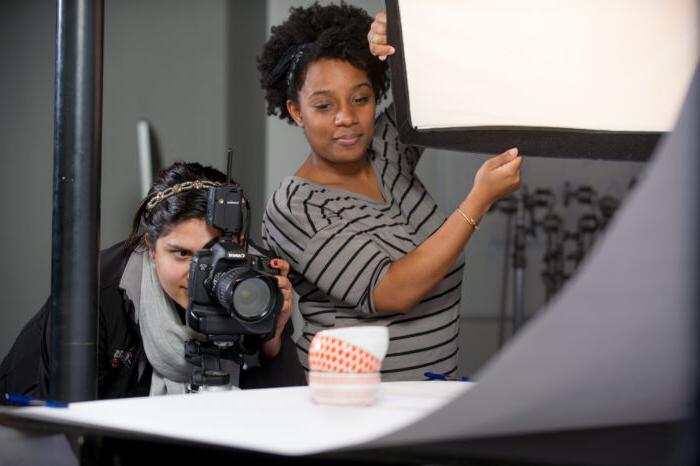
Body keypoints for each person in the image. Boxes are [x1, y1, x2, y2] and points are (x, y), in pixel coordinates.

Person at [258, 3, 523, 381]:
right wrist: (477, 201)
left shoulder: (386, 152)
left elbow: (450, 78)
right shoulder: (296, 206)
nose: (346, 117)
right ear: (296, 112)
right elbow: (392, 292)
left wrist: (403, 38)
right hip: (347, 408)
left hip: (426, 399)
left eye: (360, 99)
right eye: (323, 105)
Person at [0, 162, 305, 401]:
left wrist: (272, 340)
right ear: (151, 248)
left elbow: (284, 418)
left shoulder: (257, 281)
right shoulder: (95, 290)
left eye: (212, 254)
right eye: (182, 254)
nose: (200, 272)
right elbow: (72, 427)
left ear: (239, 243)